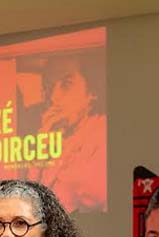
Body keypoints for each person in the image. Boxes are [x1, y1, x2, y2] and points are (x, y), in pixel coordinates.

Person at [26, 57, 107, 214]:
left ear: (92, 92)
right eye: (48, 87)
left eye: (66, 85)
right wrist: (44, 143)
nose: (53, 97)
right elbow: (30, 198)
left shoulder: (102, 131)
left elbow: (94, 198)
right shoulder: (51, 134)